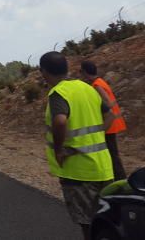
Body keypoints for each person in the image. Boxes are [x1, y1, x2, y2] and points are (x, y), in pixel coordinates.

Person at [40, 52, 115, 240]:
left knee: (88, 223)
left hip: (79, 171)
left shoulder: (59, 93)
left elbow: (59, 121)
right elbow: (110, 115)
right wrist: (97, 134)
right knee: (107, 221)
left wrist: (58, 150)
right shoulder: (87, 88)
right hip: (103, 167)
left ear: (43, 72)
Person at [79, 60, 127, 180]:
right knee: (112, 152)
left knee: (112, 153)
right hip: (112, 122)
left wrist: (97, 112)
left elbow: (108, 102)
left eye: (80, 71)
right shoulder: (100, 81)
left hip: (109, 124)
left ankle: (120, 179)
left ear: (84, 72)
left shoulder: (97, 85)